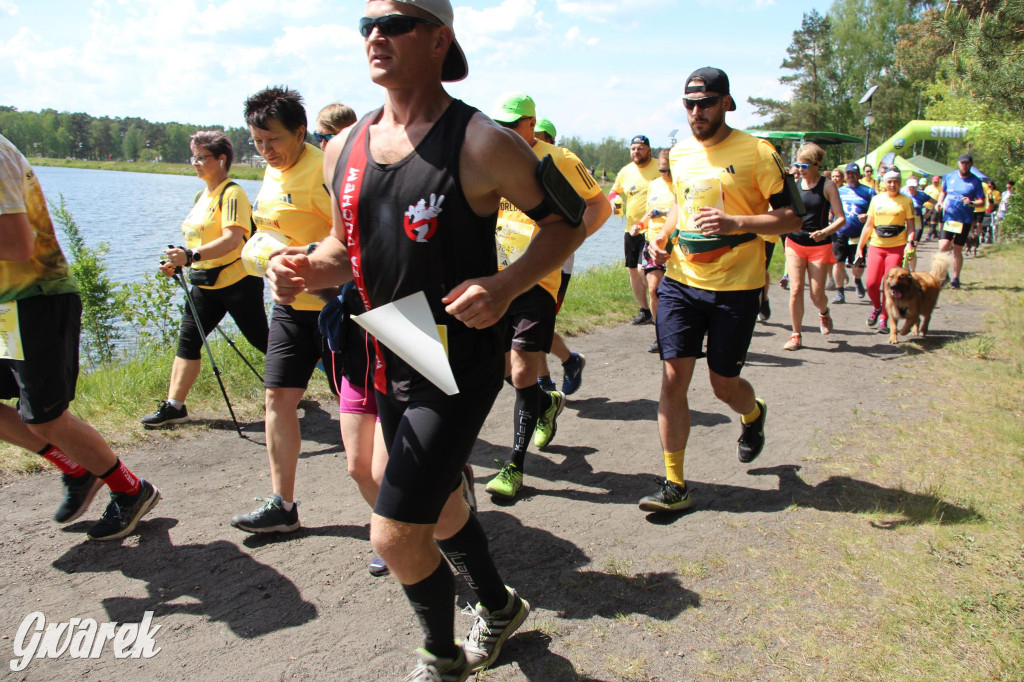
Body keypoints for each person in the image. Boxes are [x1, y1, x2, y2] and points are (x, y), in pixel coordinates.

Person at [266, 1, 586, 677]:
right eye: (366, 25)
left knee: (393, 533)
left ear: (440, 40)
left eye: (396, 22)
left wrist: (504, 284)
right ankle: (498, 607)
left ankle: (442, 659)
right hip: (389, 339)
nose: (376, 36)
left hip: (457, 356)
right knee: (434, 503)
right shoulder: (342, 147)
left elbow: (568, 223)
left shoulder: (481, 140)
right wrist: (298, 266)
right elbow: (344, 252)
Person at [639, 67, 801, 513]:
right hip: (682, 282)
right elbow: (680, 202)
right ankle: (675, 484)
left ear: (727, 103)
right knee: (673, 377)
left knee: (723, 386)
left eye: (706, 103)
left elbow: (791, 218)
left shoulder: (757, 152)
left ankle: (752, 414)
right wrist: (665, 234)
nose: (697, 112)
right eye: (689, 104)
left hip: (737, 288)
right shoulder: (682, 153)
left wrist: (737, 223)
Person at [0, 133, 161, 541]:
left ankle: (131, 490)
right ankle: (76, 466)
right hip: (6, 307)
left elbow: (19, 244)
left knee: (46, 416)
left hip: (35, 299)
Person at [486, 92, 609, 501]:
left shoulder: (559, 159)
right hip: (495, 277)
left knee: (522, 370)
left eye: (513, 124)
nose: (505, 131)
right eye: (499, 123)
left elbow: (600, 206)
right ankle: (547, 402)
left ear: (531, 122)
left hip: (537, 277)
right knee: (497, 367)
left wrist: (563, 243)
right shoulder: (488, 155)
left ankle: (515, 466)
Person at [229, 86, 341, 534]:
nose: (264, 151)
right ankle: (283, 505)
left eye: (272, 140)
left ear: (300, 132)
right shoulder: (272, 173)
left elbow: (351, 238)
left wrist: (301, 256)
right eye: (256, 142)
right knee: (278, 399)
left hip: (339, 309)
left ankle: (402, 512)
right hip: (291, 310)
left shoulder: (324, 171)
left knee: (364, 412)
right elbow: (267, 230)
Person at [140, 131, 269, 428]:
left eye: (202, 157)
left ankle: (310, 373)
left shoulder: (232, 192)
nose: (195, 163)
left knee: (262, 339)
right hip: (205, 285)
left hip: (238, 283)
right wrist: (177, 260)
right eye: (193, 156)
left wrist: (191, 255)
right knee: (188, 342)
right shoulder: (202, 196)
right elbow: (198, 241)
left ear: (221, 159)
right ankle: (175, 406)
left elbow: (232, 240)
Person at [533, 117, 589, 396]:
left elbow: (591, 205)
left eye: (541, 137)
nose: (534, 141)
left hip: (557, 260)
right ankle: (554, 374)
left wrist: (571, 239)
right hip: (517, 256)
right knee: (525, 325)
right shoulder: (521, 162)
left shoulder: (564, 165)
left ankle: (562, 368)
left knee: (540, 324)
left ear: (552, 141)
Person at [782, 143, 845, 351]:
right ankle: (796, 334)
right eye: (798, 165)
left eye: (805, 166)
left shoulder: (827, 186)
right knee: (796, 288)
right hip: (794, 242)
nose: (800, 169)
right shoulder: (794, 184)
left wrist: (825, 232)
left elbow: (841, 219)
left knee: (817, 294)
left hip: (819, 245)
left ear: (817, 165)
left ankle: (824, 312)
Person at [856, 168, 917, 333]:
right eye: (889, 181)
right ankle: (877, 307)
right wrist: (860, 246)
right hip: (877, 245)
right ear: (884, 182)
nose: (892, 185)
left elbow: (911, 227)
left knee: (890, 284)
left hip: (896, 247)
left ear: (900, 183)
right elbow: (869, 225)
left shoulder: (906, 201)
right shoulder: (876, 199)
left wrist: (910, 244)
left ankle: (884, 318)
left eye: (896, 182)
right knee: (871, 284)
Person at [610, 134, 661, 325]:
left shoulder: (659, 166)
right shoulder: (626, 171)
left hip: (655, 228)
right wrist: (613, 203)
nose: (636, 152)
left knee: (644, 270)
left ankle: (660, 306)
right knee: (633, 270)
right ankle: (645, 310)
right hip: (631, 229)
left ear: (648, 150)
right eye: (633, 148)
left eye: (640, 148)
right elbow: (614, 191)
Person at [633, 149, 674, 353]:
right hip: (653, 243)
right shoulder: (654, 185)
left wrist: (665, 212)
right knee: (654, 290)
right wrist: (640, 225)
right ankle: (661, 336)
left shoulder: (681, 185)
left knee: (681, 293)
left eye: (668, 170)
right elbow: (649, 214)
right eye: (661, 170)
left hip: (676, 244)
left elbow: (685, 212)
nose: (665, 174)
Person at [937, 153, 985, 289]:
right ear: (958, 163)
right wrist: (939, 202)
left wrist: (971, 203)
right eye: (962, 163)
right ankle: (944, 274)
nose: (964, 165)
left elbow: (982, 202)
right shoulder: (949, 177)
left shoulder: (975, 181)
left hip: (964, 219)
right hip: (949, 218)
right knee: (943, 246)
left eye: (967, 163)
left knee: (957, 250)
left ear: (971, 165)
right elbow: (943, 192)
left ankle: (956, 278)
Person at [833, 162, 872, 304]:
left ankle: (857, 280)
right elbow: (832, 211)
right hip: (840, 233)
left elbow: (874, 210)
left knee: (859, 265)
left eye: (854, 174)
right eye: (849, 173)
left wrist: (867, 216)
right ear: (846, 176)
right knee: (838, 262)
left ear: (859, 175)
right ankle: (840, 292)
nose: (851, 176)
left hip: (858, 235)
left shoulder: (868, 191)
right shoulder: (839, 191)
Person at [923, 174, 943, 239]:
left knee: (933, 220)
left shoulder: (941, 188)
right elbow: (924, 196)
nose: (935, 183)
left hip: (936, 206)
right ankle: (935, 233)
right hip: (927, 206)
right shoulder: (928, 188)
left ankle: (929, 234)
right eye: (934, 181)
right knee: (927, 220)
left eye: (936, 182)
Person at [982, 179, 1001, 244]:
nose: (989, 187)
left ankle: (990, 236)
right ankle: (983, 236)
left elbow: (998, 201)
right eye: (988, 186)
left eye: (990, 186)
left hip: (993, 208)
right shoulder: (986, 192)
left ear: (993, 186)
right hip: (986, 208)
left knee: (991, 222)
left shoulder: (997, 192)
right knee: (983, 222)